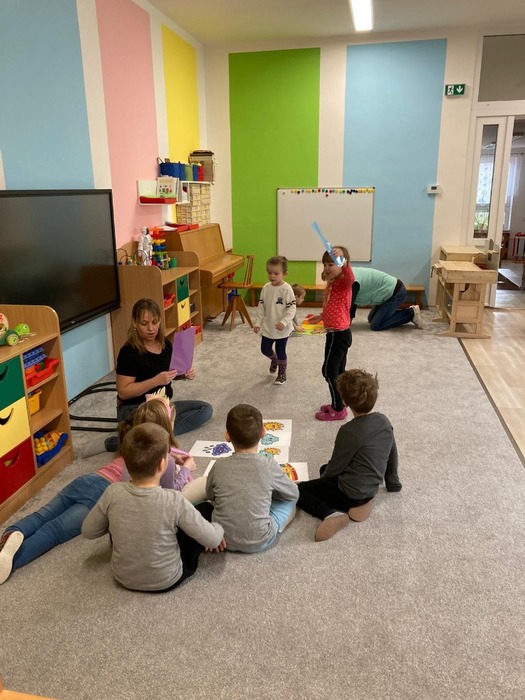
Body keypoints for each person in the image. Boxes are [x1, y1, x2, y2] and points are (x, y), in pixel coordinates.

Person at [0, 397, 202, 585]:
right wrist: (186, 469)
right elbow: (173, 493)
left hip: (87, 479)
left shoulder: (131, 444)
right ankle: (11, 561)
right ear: (166, 428)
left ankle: (10, 534)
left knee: (42, 514)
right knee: (54, 531)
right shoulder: (165, 459)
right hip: (102, 493)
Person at [82, 423, 225, 592]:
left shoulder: (112, 492)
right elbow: (213, 540)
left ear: (125, 461)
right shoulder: (173, 500)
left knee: (123, 521)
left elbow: (88, 531)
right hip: (167, 579)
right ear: (162, 465)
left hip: (123, 577)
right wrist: (218, 527)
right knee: (206, 509)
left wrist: (120, 522)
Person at [297, 369, 402, 542]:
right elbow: (392, 452)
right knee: (324, 468)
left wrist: (324, 480)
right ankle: (364, 502)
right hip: (372, 487)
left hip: (351, 494)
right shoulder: (384, 421)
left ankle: (331, 515)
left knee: (300, 490)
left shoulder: (348, 431)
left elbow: (335, 467)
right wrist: (392, 482)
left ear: (345, 402)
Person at [104, 298, 212, 451]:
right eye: (144, 323)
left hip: (162, 406)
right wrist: (156, 380)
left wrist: (183, 374)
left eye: (155, 322)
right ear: (134, 323)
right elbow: (124, 392)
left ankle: (148, 436)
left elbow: (169, 373)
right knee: (154, 422)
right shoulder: (128, 352)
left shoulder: (165, 344)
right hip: (135, 408)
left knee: (205, 409)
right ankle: (121, 441)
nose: (151, 328)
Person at [205, 404, 298, 553]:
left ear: (227, 436)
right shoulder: (268, 464)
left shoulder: (218, 465)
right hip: (260, 540)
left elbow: (210, 496)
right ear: (263, 432)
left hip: (223, 538)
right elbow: (293, 493)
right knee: (290, 502)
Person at [308, 245, 355, 421]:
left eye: (331, 264)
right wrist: (321, 316)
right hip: (337, 333)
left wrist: (343, 260)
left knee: (329, 371)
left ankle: (338, 409)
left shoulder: (344, 282)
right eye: (325, 264)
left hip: (338, 334)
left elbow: (350, 276)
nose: (327, 268)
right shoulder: (333, 283)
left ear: (342, 265)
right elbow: (334, 306)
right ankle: (340, 402)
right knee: (339, 372)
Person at [253, 256, 296, 385]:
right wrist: (257, 323)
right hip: (268, 327)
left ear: (284, 273)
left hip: (282, 329)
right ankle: (274, 359)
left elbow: (292, 308)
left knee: (281, 351)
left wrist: (284, 322)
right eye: (269, 272)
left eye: (276, 273)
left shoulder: (287, 289)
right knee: (265, 349)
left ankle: (282, 374)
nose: (272, 276)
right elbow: (261, 307)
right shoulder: (266, 288)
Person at [350, 267, 423, 331]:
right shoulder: (349, 272)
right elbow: (353, 300)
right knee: (371, 319)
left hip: (395, 292)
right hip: (384, 295)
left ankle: (411, 313)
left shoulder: (352, 281)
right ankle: (390, 312)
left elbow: (350, 303)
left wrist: (347, 321)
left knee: (376, 325)